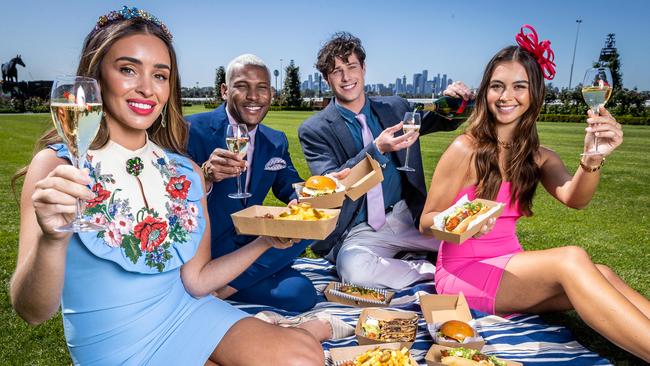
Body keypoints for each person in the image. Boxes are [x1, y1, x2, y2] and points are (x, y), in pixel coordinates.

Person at [9, 7, 342, 365]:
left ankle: (296, 332)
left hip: (188, 313)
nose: (146, 88)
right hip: (116, 345)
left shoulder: (185, 172)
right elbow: (32, 311)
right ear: (97, 76)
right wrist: (51, 240)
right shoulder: (57, 166)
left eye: (160, 75)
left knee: (304, 357)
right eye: (127, 69)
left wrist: (266, 240)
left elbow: (198, 282)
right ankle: (287, 327)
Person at [419, 25, 650, 361]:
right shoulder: (465, 149)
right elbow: (426, 222)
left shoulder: (540, 155)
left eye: (519, 86)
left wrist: (592, 158)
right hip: (464, 272)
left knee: (603, 274)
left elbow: (576, 198)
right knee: (571, 260)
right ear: (486, 92)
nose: (506, 96)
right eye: (497, 86)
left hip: (510, 267)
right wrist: (458, 224)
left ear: (534, 94)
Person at [298, 32, 472, 289]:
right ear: (326, 79)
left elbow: (445, 120)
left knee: (468, 239)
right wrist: (376, 149)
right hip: (359, 228)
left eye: (352, 67)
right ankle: (431, 271)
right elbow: (332, 185)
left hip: (406, 215)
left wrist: (458, 101)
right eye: (336, 71)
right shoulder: (314, 129)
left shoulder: (396, 107)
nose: (346, 77)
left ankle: (416, 261)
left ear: (364, 68)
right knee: (354, 271)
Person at [186, 54, 335, 312]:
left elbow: (288, 184)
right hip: (206, 251)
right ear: (224, 90)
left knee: (302, 291)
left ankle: (225, 289)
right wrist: (206, 175)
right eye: (242, 86)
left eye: (261, 88)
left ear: (271, 94)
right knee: (295, 291)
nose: (253, 96)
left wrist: (318, 188)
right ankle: (223, 281)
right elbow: (169, 192)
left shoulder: (275, 140)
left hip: (251, 245)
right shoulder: (191, 129)